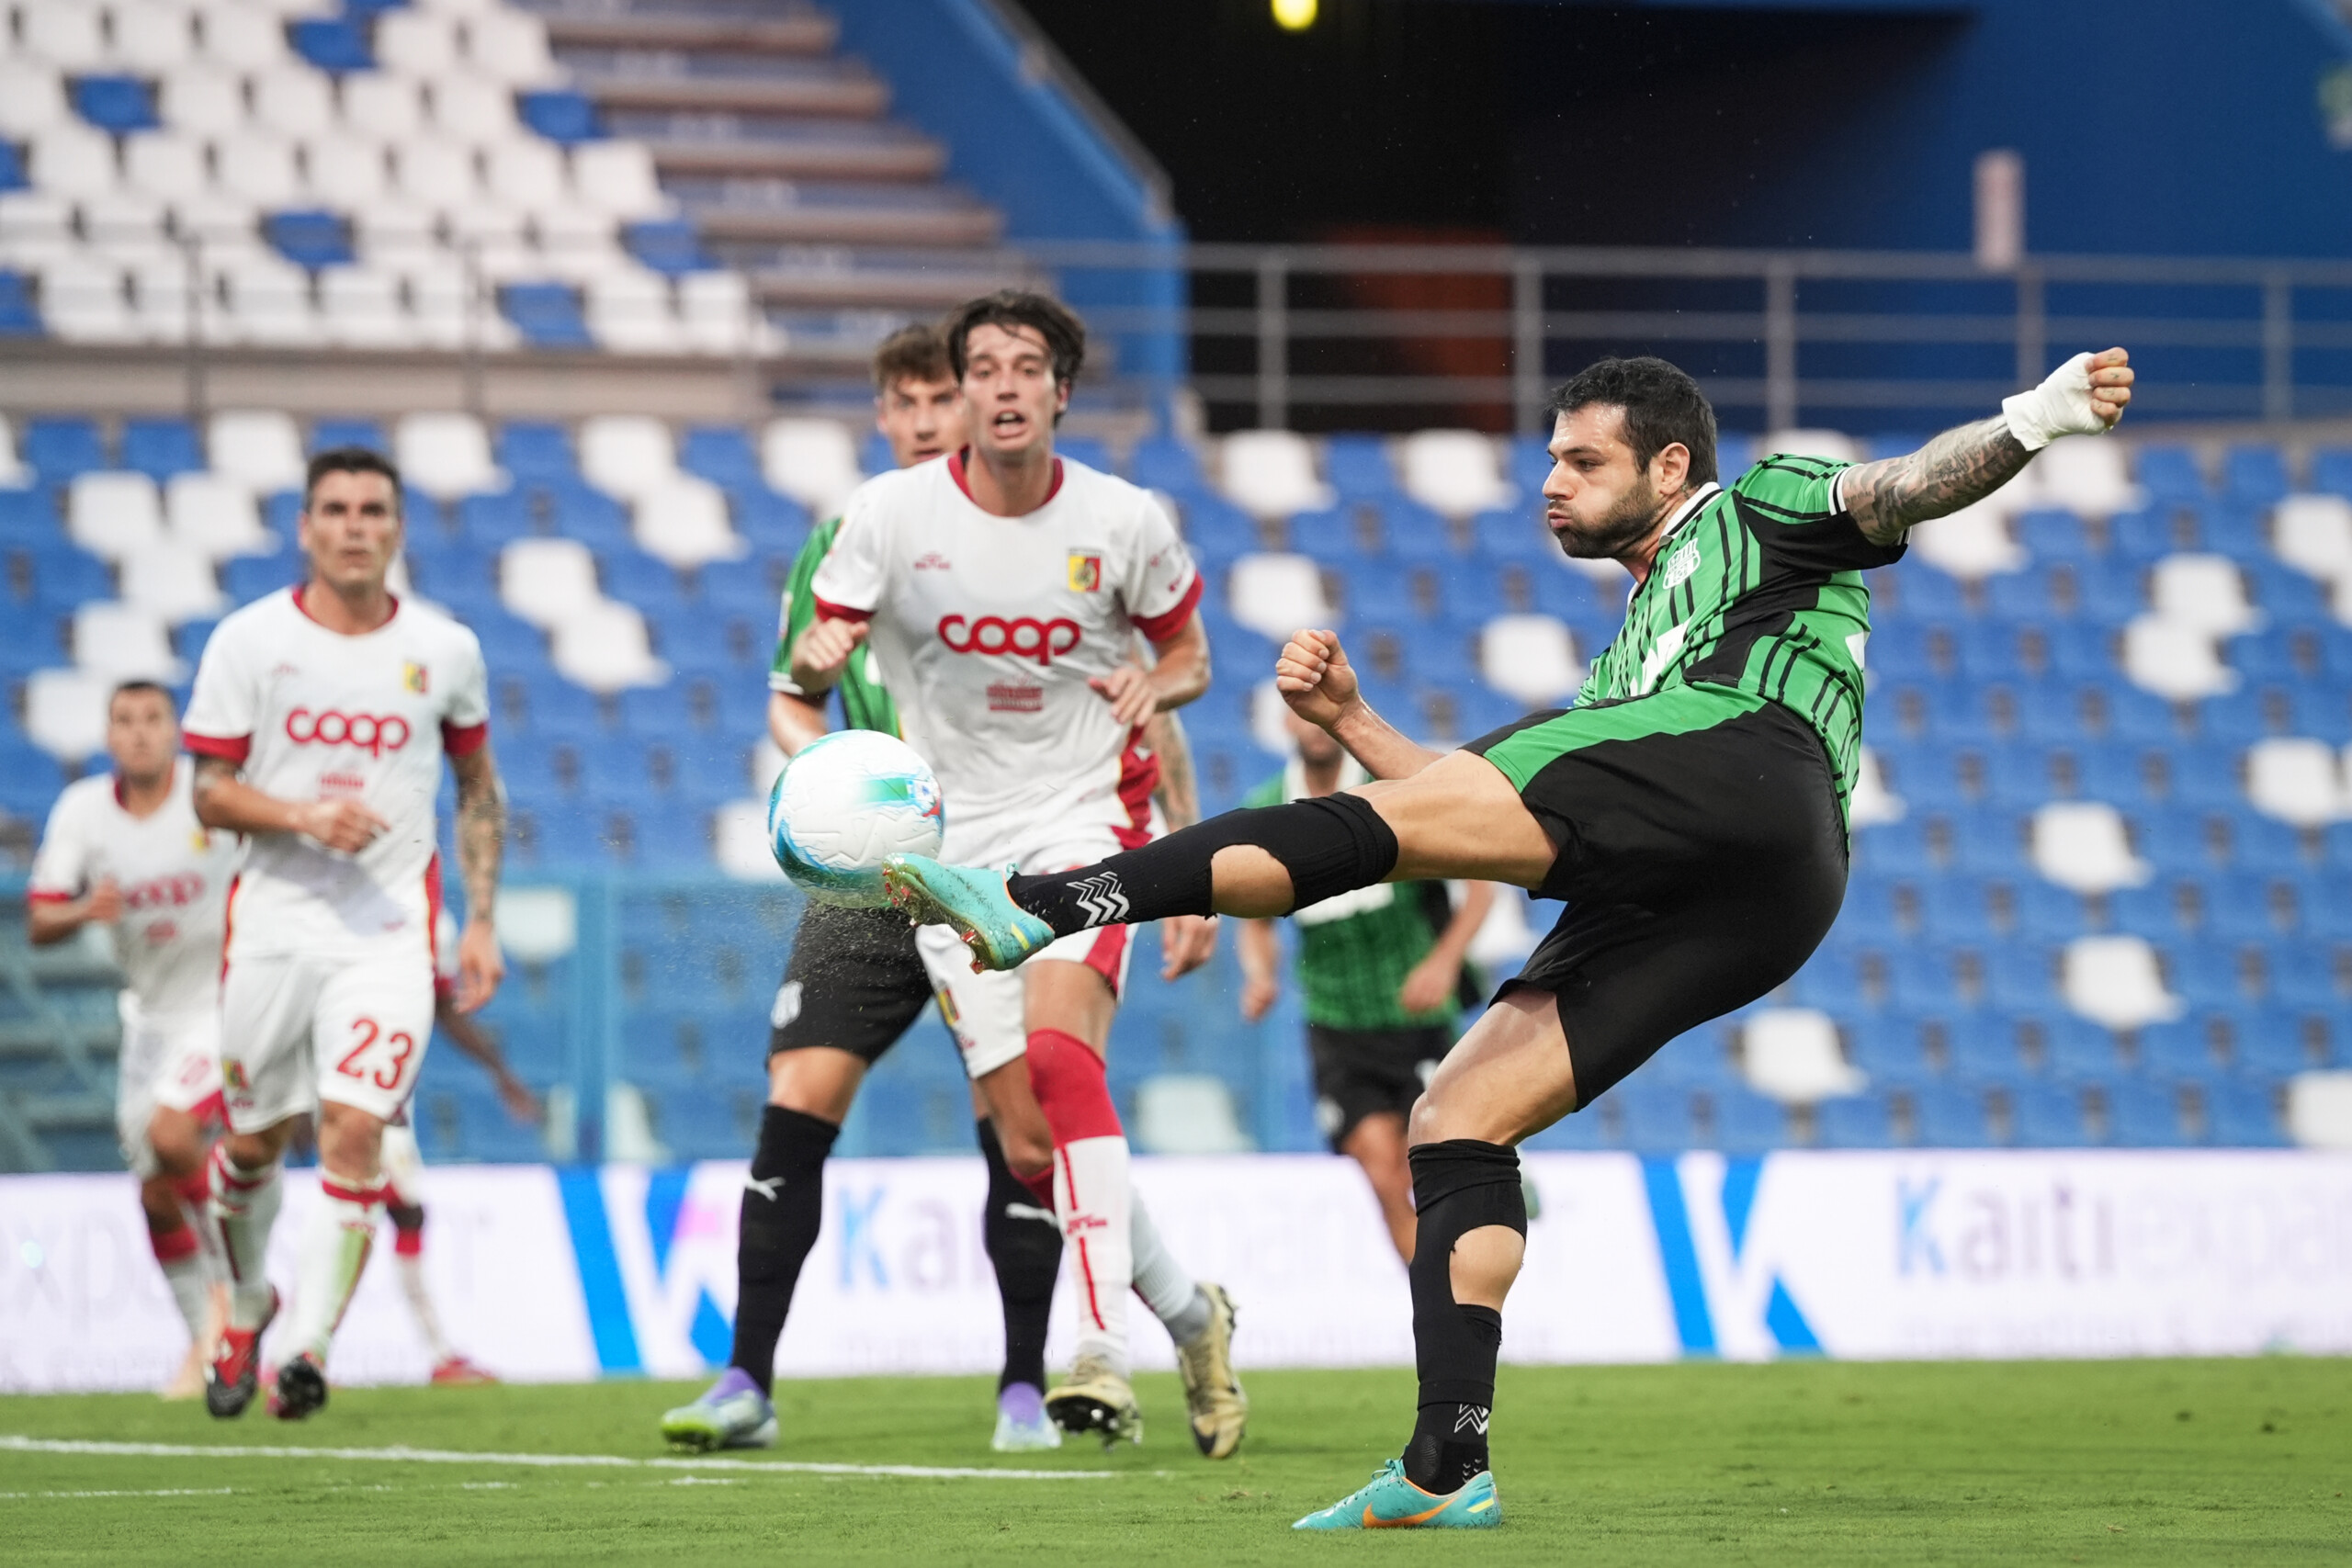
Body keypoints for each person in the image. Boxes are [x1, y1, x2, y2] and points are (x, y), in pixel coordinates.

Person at [885, 348, 2137, 1526]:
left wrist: (2038, 416)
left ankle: (1045, 902)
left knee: (1363, 823)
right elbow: (1463, 802)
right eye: (1548, 458)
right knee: (1458, 1115)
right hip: (1766, 894)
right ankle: (1448, 1460)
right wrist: (1358, 718)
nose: (1550, 481)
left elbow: (1905, 484)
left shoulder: (1754, 511)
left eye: (1581, 460)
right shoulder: (1630, 665)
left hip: (1752, 759)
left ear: (1666, 469)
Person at [662, 321, 1245, 1458]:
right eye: (976, 376)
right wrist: (824, 698)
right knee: (1024, 1139)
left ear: (1062, 391)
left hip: (1083, 825)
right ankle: (1188, 1312)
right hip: (929, 857)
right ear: (921, 406)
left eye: (1022, 371)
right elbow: (804, 668)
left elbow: (1190, 665)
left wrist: (1182, 841)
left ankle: (1085, 1358)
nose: (990, 394)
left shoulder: (1121, 521)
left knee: (1066, 1062)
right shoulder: (878, 522)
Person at [184, 445, 507, 1421]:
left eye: (373, 509)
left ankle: (308, 1352)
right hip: (274, 929)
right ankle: (247, 1303)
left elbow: (478, 790)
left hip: (388, 933)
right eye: (336, 509)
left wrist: (481, 920)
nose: (355, 526)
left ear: (397, 527)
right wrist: (302, 816)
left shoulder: (446, 649)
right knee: (249, 1142)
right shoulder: (248, 641)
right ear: (305, 528)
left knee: (357, 1131)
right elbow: (209, 792)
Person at [27, 680, 241, 1397]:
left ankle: (236, 1300)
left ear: (175, 729)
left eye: (153, 718)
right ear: (108, 735)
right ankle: (205, 1341)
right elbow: (40, 919)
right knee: (153, 1191)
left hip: (222, 1002)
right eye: (126, 720)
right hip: (148, 1014)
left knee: (174, 1135)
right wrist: (88, 907)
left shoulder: (210, 796)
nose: (141, 732)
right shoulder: (84, 811)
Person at [1237, 709, 1492, 1263]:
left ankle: (1493, 1197)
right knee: (1381, 1172)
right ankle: (1438, 1310)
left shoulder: (1390, 790)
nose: (1312, 728)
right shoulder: (1270, 809)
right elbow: (1251, 917)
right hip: (1336, 1025)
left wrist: (1445, 962)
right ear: (1287, 722)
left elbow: (1480, 880)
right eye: (1299, 716)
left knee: (1429, 1168)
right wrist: (1260, 974)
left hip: (1415, 1020)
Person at [373, 928, 542, 1387]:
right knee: (385, 1209)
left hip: (386, 1096)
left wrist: (501, 1071)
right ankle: (300, 1349)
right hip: (355, 1093)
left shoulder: (432, 924)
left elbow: (444, 1011)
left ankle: (301, 1349)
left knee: (398, 1210)